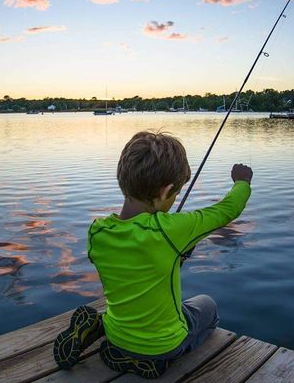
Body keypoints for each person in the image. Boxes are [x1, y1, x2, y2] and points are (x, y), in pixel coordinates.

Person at [53, 130, 252, 378]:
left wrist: (171, 257)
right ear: (165, 190)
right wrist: (242, 182)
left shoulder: (97, 232)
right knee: (207, 306)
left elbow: (134, 266)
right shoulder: (170, 230)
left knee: (126, 307)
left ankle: (100, 328)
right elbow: (227, 210)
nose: (174, 199)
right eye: (176, 194)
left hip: (118, 334)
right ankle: (157, 360)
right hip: (163, 345)